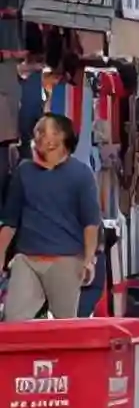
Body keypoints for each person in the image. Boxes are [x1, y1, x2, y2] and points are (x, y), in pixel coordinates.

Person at [0, 113, 99, 321]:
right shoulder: (24, 171)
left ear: (59, 139)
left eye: (42, 132)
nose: (36, 138)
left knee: (66, 323)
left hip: (66, 260)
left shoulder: (81, 174)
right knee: (14, 321)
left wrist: (89, 260)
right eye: (36, 132)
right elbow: (10, 221)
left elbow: (91, 223)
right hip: (27, 260)